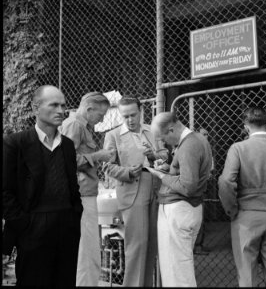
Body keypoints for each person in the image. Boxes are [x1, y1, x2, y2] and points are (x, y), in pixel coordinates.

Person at [2, 85, 83, 286]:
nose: (61, 110)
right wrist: (23, 224)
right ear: (35, 108)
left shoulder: (67, 145)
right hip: (32, 226)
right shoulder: (15, 143)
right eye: (54, 105)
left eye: (63, 105)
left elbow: (72, 186)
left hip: (66, 226)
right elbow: (4, 190)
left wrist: (74, 215)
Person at [218, 107, 266, 287]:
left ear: (246, 127)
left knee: (246, 274)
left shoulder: (238, 148)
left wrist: (232, 211)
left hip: (245, 217)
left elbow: (225, 182)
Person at [102, 96, 168, 287]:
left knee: (152, 245)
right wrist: (127, 172)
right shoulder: (112, 135)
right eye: (125, 116)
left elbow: (164, 155)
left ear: (141, 111)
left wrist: (153, 155)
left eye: (133, 115)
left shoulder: (152, 131)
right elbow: (107, 166)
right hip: (132, 190)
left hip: (155, 188)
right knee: (137, 245)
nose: (130, 120)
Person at [148, 112, 212, 287]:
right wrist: (171, 168)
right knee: (180, 265)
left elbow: (188, 186)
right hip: (190, 209)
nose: (164, 143)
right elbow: (191, 174)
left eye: (163, 138)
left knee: (176, 270)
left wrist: (160, 175)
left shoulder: (188, 145)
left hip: (179, 209)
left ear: (171, 129)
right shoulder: (198, 139)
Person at [60, 92, 115, 286]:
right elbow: (64, 161)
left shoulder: (81, 126)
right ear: (89, 109)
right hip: (81, 195)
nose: (101, 120)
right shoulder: (75, 125)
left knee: (88, 249)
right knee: (86, 250)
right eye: (100, 115)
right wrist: (98, 155)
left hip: (84, 193)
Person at [193, 128, 214, 255]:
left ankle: (199, 244)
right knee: (197, 217)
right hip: (197, 187)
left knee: (202, 217)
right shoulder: (194, 148)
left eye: (207, 134)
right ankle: (196, 246)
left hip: (204, 185)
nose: (206, 136)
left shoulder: (208, 148)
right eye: (204, 134)